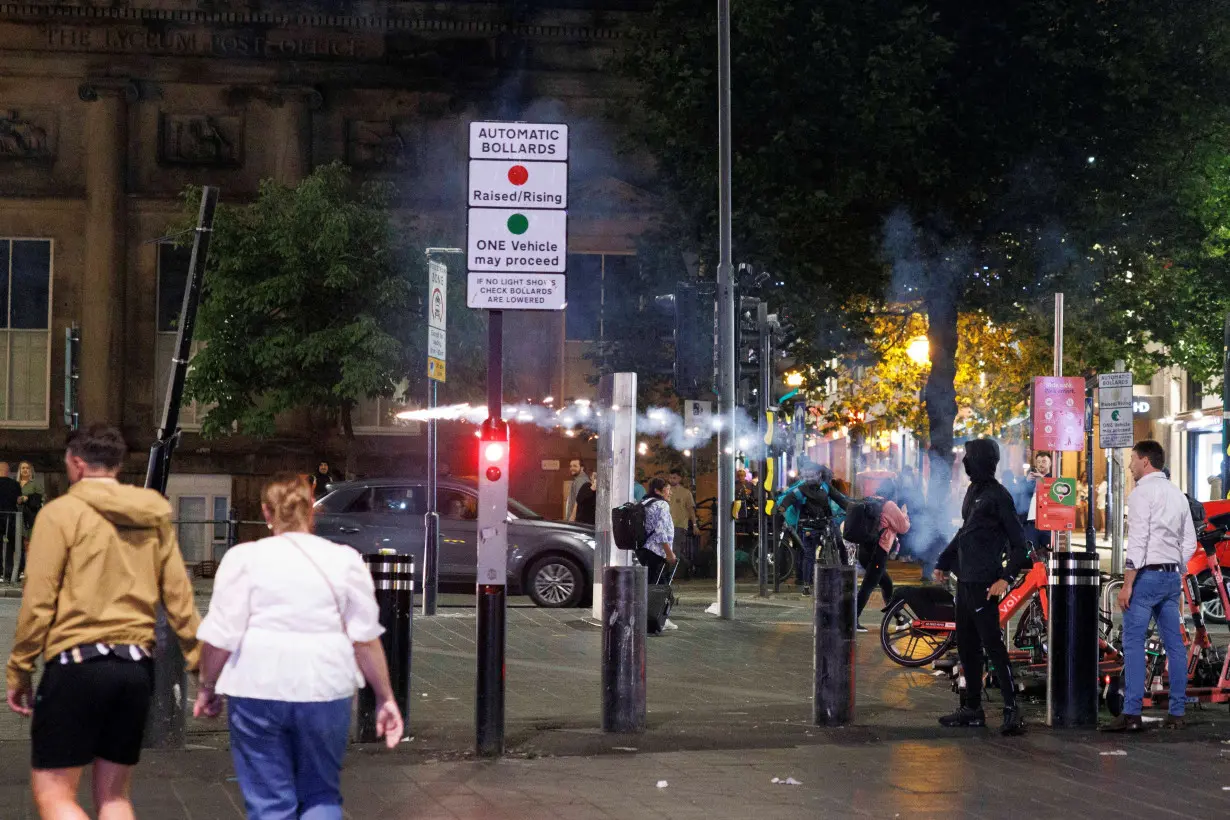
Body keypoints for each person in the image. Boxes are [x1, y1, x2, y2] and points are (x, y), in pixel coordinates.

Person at [6, 424, 202, 818]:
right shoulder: (152, 516)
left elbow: (39, 601)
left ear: (77, 463)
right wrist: (201, 664)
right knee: (114, 797)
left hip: (76, 664)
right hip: (134, 668)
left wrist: (20, 670)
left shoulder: (59, 514)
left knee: (55, 794)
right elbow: (180, 597)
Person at [193, 473, 404, 817]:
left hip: (256, 687)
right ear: (312, 512)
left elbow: (220, 637)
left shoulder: (243, 559)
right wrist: (385, 698)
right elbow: (365, 639)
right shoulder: (345, 560)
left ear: (266, 512)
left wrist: (207, 687)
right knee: (320, 795)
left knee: (270, 803)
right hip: (325, 687)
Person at [933, 437, 1029, 736]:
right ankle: (972, 708)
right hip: (966, 581)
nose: (964, 461)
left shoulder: (998, 496)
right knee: (968, 646)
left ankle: (1012, 710)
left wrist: (1005, 578)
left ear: (982, 460)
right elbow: (966, 532)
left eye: (969, 456)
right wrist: (944, 561)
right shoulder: (974, 492)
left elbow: (1020, 545)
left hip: (985, 583)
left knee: (993, 646)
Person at [1103, 440, 1198, 732]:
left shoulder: (1141, 493)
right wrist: (1174, 565)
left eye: (1132, 459)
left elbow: (1139, 542)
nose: (1130, 465)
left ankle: (1131, 713)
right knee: (1175, 647)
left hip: (1146, 578)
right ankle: (1177, 713)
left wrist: (1127, 585)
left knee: (1133, 644)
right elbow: (1190, 542)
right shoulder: (1177, 494)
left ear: (1145, 461)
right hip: (1171, 579)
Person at [854, 480, 910, 631]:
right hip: (878, 552)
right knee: (868, 586)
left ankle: (899, 618)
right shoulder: (889, 505)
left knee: (886, 584)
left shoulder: (871, 500)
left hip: (864, 550)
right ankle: (851, 620)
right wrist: (904, 512)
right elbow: (903, 528)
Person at [793, 462, 851, 592]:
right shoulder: (811, 488)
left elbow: (840, 500)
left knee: (810, 553)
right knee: (836, 546)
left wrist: (850, 508)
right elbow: (840, 500)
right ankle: (845, 575)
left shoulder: (824, 487)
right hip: (817, 523)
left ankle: (806, 582)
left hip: (820, 522)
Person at [637, 477, 679, 630]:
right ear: (658, 491)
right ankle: (658, 620)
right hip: (655, 551)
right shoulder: (661, 505)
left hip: (643, 550)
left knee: (650, 585)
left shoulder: (644, 503)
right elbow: (661, 532)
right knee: (659, 588)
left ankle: (649, 619)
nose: (670, 493)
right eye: (667, 489)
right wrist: (669, 553)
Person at [16, 461, 43, 581]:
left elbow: (40, 498)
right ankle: (19, 569)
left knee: (29, 544)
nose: (25, 470)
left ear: (30, 471)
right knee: (18, 544)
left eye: (27, 468)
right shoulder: (15, 484)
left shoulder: (35, 484)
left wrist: (27, 498)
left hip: (30, 517)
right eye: (23, 468)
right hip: (17, 517)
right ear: (19, 470)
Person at [667, 469, 699, 567]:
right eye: (670, 478)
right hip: (667, 525)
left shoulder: (685, 493)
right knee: (669, 549)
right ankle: (685, 567)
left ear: (679, 479)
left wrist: (694, 525)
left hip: (679, 525)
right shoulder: (666, 490)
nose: (672, 480)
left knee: (675, 549)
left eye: (674, 478)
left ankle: (685, 567)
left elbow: (691, 510)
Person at [1022, 452, 1052, 550]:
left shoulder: (1054, 478)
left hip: (1047, 523)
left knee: (1048, 552)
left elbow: (1054, 494)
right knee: (1030, 552)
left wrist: (1042, 479)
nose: (1040, 464)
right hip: (1030, 523)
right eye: (1038, 462)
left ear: (1050, 463)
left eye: (1044, 461)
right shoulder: (1031, 479)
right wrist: (1026, 482)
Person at [0, 462, 21, 583]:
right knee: (9, 547)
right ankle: (8, 573)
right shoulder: (15, 485)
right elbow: (18, 501)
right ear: (7, 471)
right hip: (11, 519)